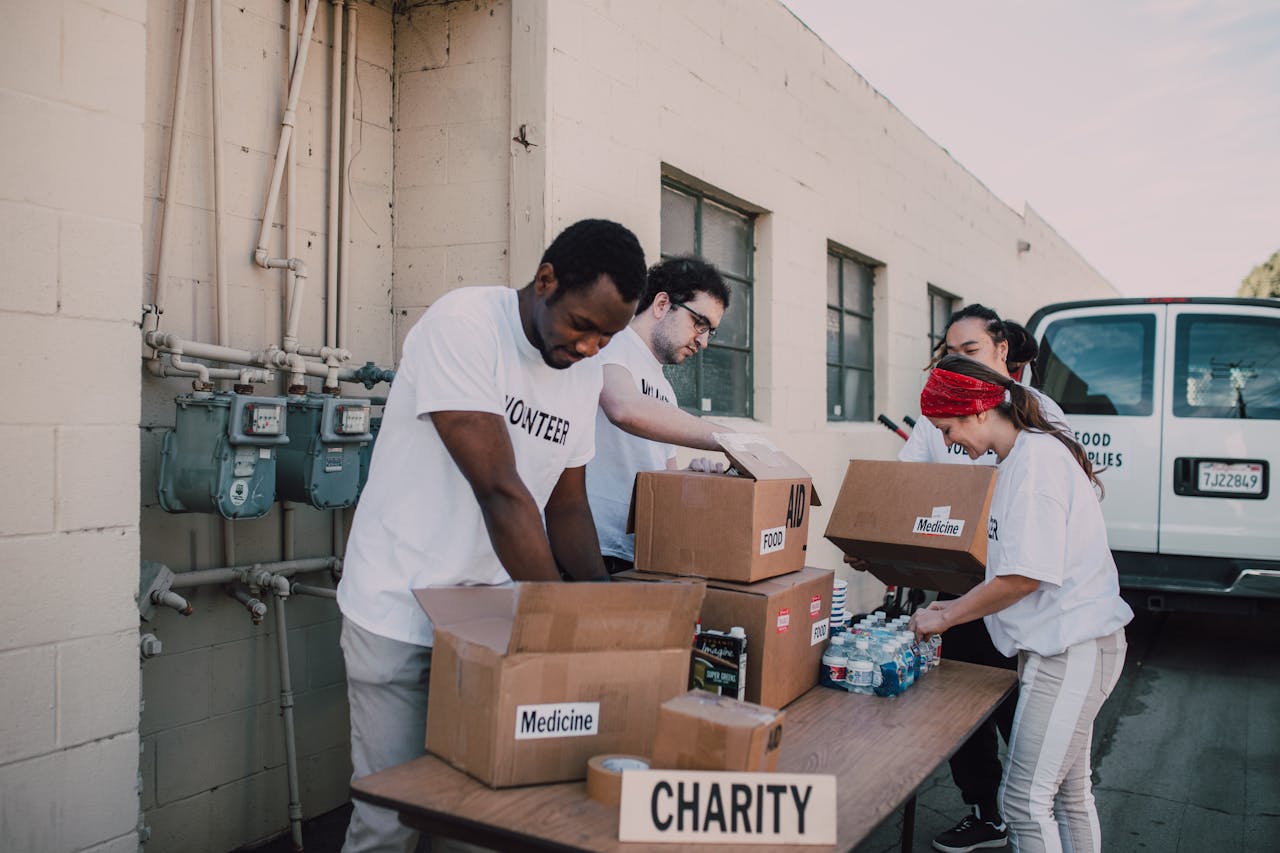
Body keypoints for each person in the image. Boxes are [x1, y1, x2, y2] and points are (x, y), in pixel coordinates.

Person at [336, 218, 647, 853]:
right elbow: (501, 491)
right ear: (545, 280)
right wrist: (559, 627)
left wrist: (604, 620)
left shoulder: (583, 372)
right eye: (582, 325)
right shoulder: (466, 324)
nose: (591, 347)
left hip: (485, 624)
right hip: (400, 610)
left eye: (607, 337)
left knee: (480, 816)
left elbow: (567, 507)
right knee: (390, 819)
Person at [862, 304, 1069, 852]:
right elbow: (907, 484)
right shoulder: (940, 415)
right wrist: (874, 535)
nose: (952, 439)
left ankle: (1031, 808)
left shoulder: (1037, 419)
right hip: (961, 582)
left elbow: (1055, 518)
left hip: (1021, 591)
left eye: (969, 352)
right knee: (957, 701)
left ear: (1002, 350)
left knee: (1020, 709)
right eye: (949, 354)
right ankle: (987, 810)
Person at [909, 354, 1133, 853]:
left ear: (979, 412)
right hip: (1064, 645)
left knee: (1024, 803)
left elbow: (1024, 577)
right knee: (1069, 795)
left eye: (948, 429)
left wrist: (945, 614)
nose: (948, 443)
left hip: (1072, 647)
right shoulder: (1017, 459)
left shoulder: (1034, 464)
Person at [586, 256, 732, 574]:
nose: (704, 341)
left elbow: (663, 477)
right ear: (663, 303)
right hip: (590, 551)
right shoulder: (611, 343)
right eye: (700, 323)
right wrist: (728, 440)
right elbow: (623, 407)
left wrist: (691, 474)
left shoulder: (665, 389)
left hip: (638, 554)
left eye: (711, 331)